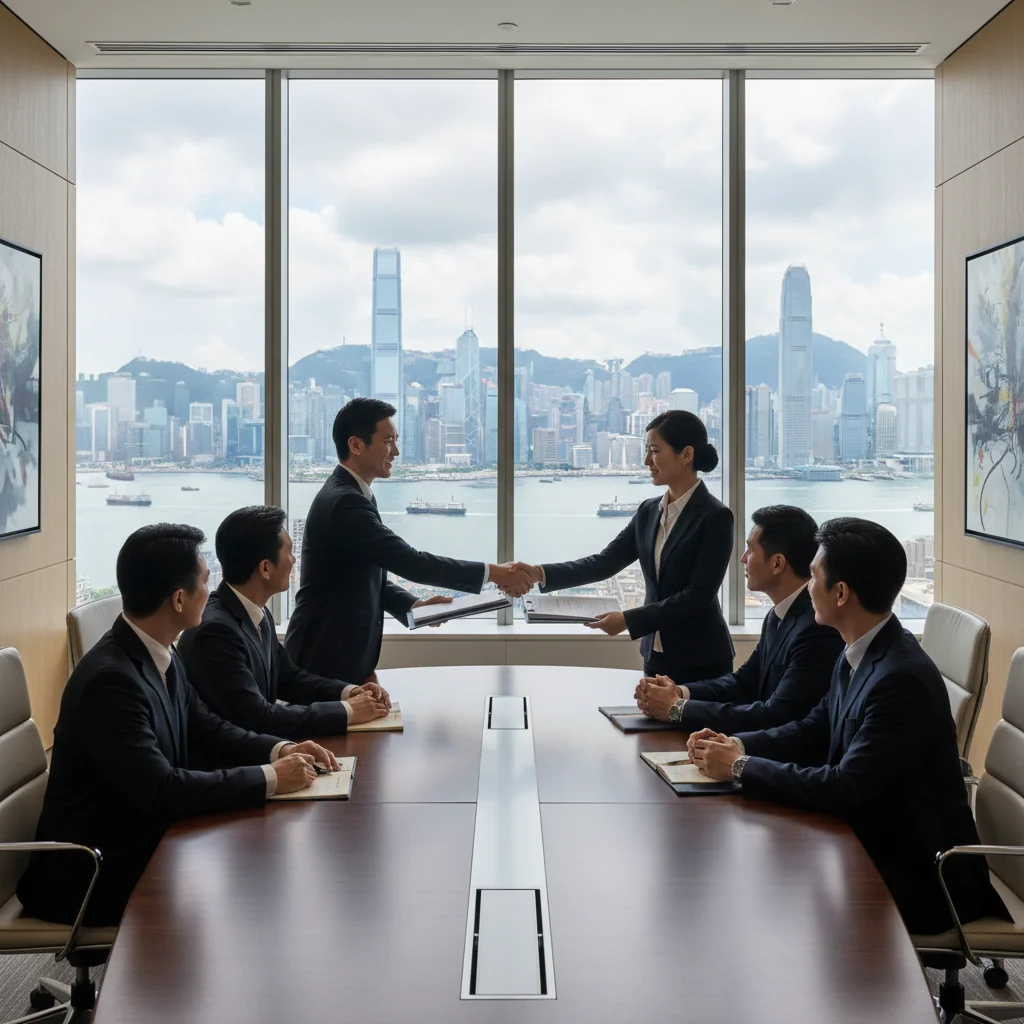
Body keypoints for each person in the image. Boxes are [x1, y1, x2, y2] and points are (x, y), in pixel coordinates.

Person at [689, 517, 1008, 934]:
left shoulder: (900, 679)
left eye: (815, 576)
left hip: (920, 876)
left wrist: (738, 768)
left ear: (841, 593)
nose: (808, 586)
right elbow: (812, 729)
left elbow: (845, 788)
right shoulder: (860, 649)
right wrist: (736, 745)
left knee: (764, 896)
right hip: (872, 841)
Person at [17, 524, 335, 927]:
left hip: (141, 840)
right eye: (205, 580)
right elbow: (162, 790)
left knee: (264, 876)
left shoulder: (158, 650)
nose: (212, 589)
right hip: (93, 874)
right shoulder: (110, 683)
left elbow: (208, 727)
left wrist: (281, 750)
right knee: (258, 895)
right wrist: (271, 777)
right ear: (180, 599)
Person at [285, 398, 531, 681]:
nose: (396, 452)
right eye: (388, 441)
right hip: (323, 656)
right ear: (355, 445)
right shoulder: (345, 502)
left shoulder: (353, 494)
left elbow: (360, 574)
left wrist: (413, 606)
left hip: (337, 654)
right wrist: (496, 572)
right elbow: (412, 563)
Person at [514, 410, 733, 684]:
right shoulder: (648, 511)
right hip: (656, 654)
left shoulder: (715, 516)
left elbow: (698, 595)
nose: (646, 461)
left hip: (702, 658)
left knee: (696, 728)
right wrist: (538, 573)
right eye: (646, 451)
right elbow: (604, 562)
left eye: (654, 451)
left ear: (686, 454)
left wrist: (629, 620)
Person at [178, 506, 391, 740]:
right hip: (227, 764)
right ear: (265, 568)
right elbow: (259, 717)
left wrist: (350, 693)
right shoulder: (215, 633)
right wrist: (349, 711)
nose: (293, 560)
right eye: (289, 552)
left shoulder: (255, 611)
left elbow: (289, 678)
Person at [635, 505, 843, 732]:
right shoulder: (778, 614)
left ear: (777, 563)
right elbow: (744, 682)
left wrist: (677, 708)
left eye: (750, 550)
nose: (743, 559)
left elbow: (777, 714)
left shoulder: (816, 628)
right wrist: (679, 692)